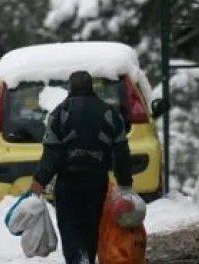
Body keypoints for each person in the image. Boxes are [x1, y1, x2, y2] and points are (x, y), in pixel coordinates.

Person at [29, 70, 133, 264]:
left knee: (70, 226)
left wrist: (40, 179)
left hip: (69, 182)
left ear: (70, 87)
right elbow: (121, 152)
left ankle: (77, 259)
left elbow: (52, 152)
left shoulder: (59, 113)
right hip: (97, 179)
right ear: (91, 87)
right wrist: (125, 183)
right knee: (93, 224)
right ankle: (89, 257)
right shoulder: (110, 114)